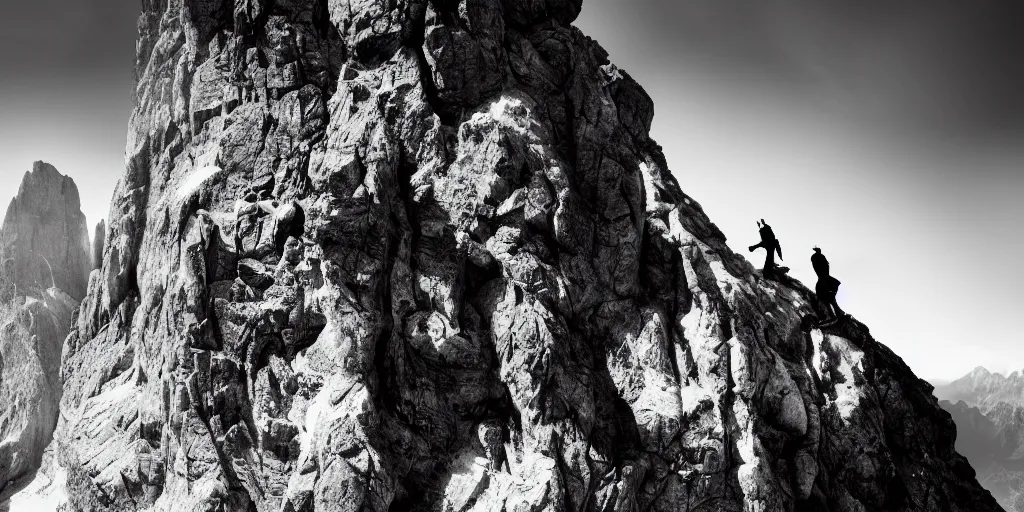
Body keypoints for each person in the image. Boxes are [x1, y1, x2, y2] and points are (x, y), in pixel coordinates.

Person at [811, 247, 846, 322]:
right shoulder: (820, 258)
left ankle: (833, 316)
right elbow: (825, 266)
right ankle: (836, 315)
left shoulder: (816, 258)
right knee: (831, 300)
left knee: (828, 300)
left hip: (824, 282)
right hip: (826, 282)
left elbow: (818, 267)